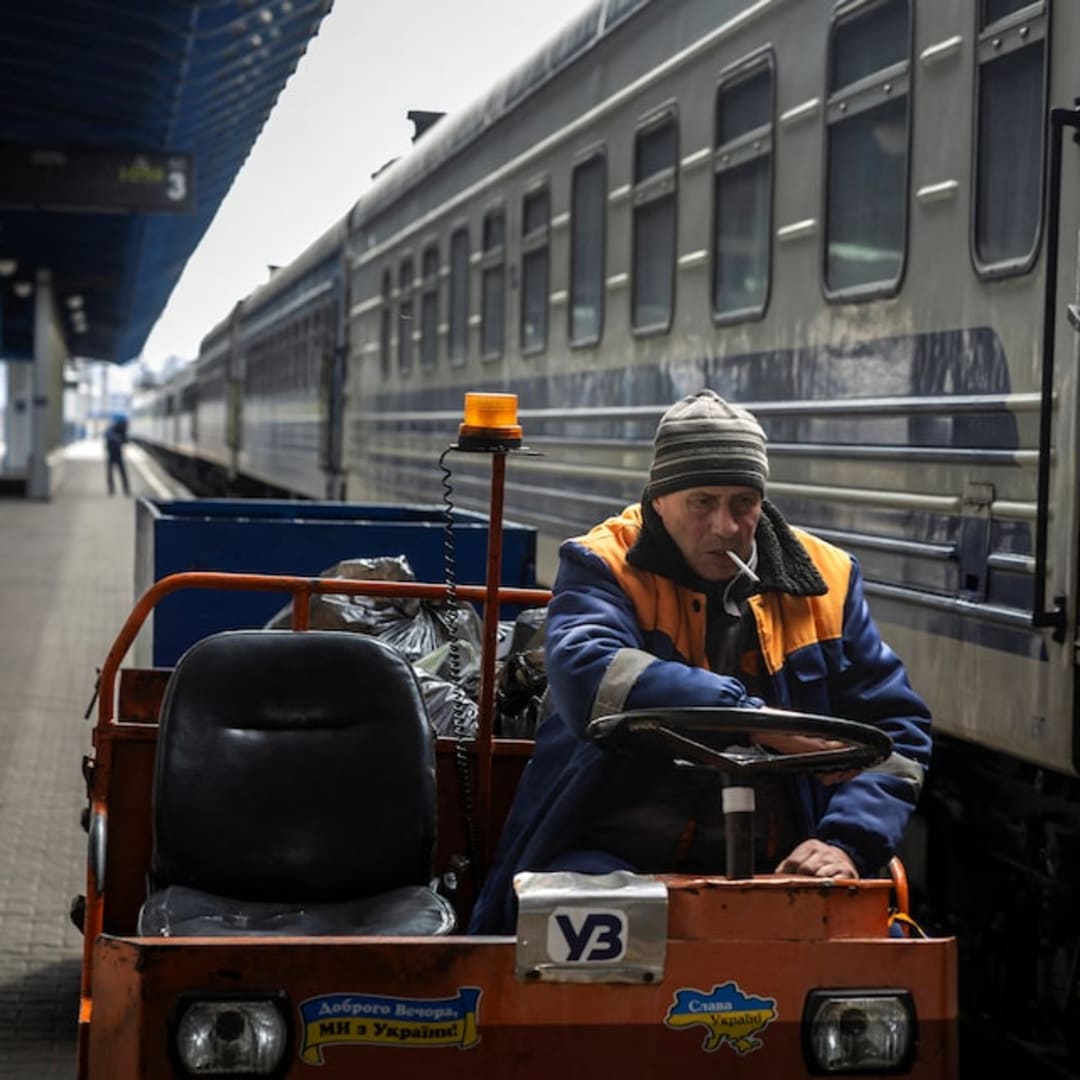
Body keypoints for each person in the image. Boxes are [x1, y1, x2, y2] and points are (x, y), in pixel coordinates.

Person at [468, 388, 932, 934]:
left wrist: (844, 842)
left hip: (782, 861)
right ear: (658, 502)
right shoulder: (603, 563)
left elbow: (898, 733)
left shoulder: (828, 581)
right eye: (701, 502)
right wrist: (764, 726)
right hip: (610, 853)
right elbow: (586, 675)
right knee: (567, 949)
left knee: (875, 958)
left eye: (743, 503)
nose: (725, 527)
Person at [104, 414, 130, 496]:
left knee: (116, 472)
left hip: (115, 454)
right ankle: (115, 489)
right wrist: (117, 438)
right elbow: (107, 435)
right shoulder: (113, 429)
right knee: (118, 472)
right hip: (114, 454)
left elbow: (125, 441)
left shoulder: (120, 430)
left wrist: (120, 439)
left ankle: (122, 489)